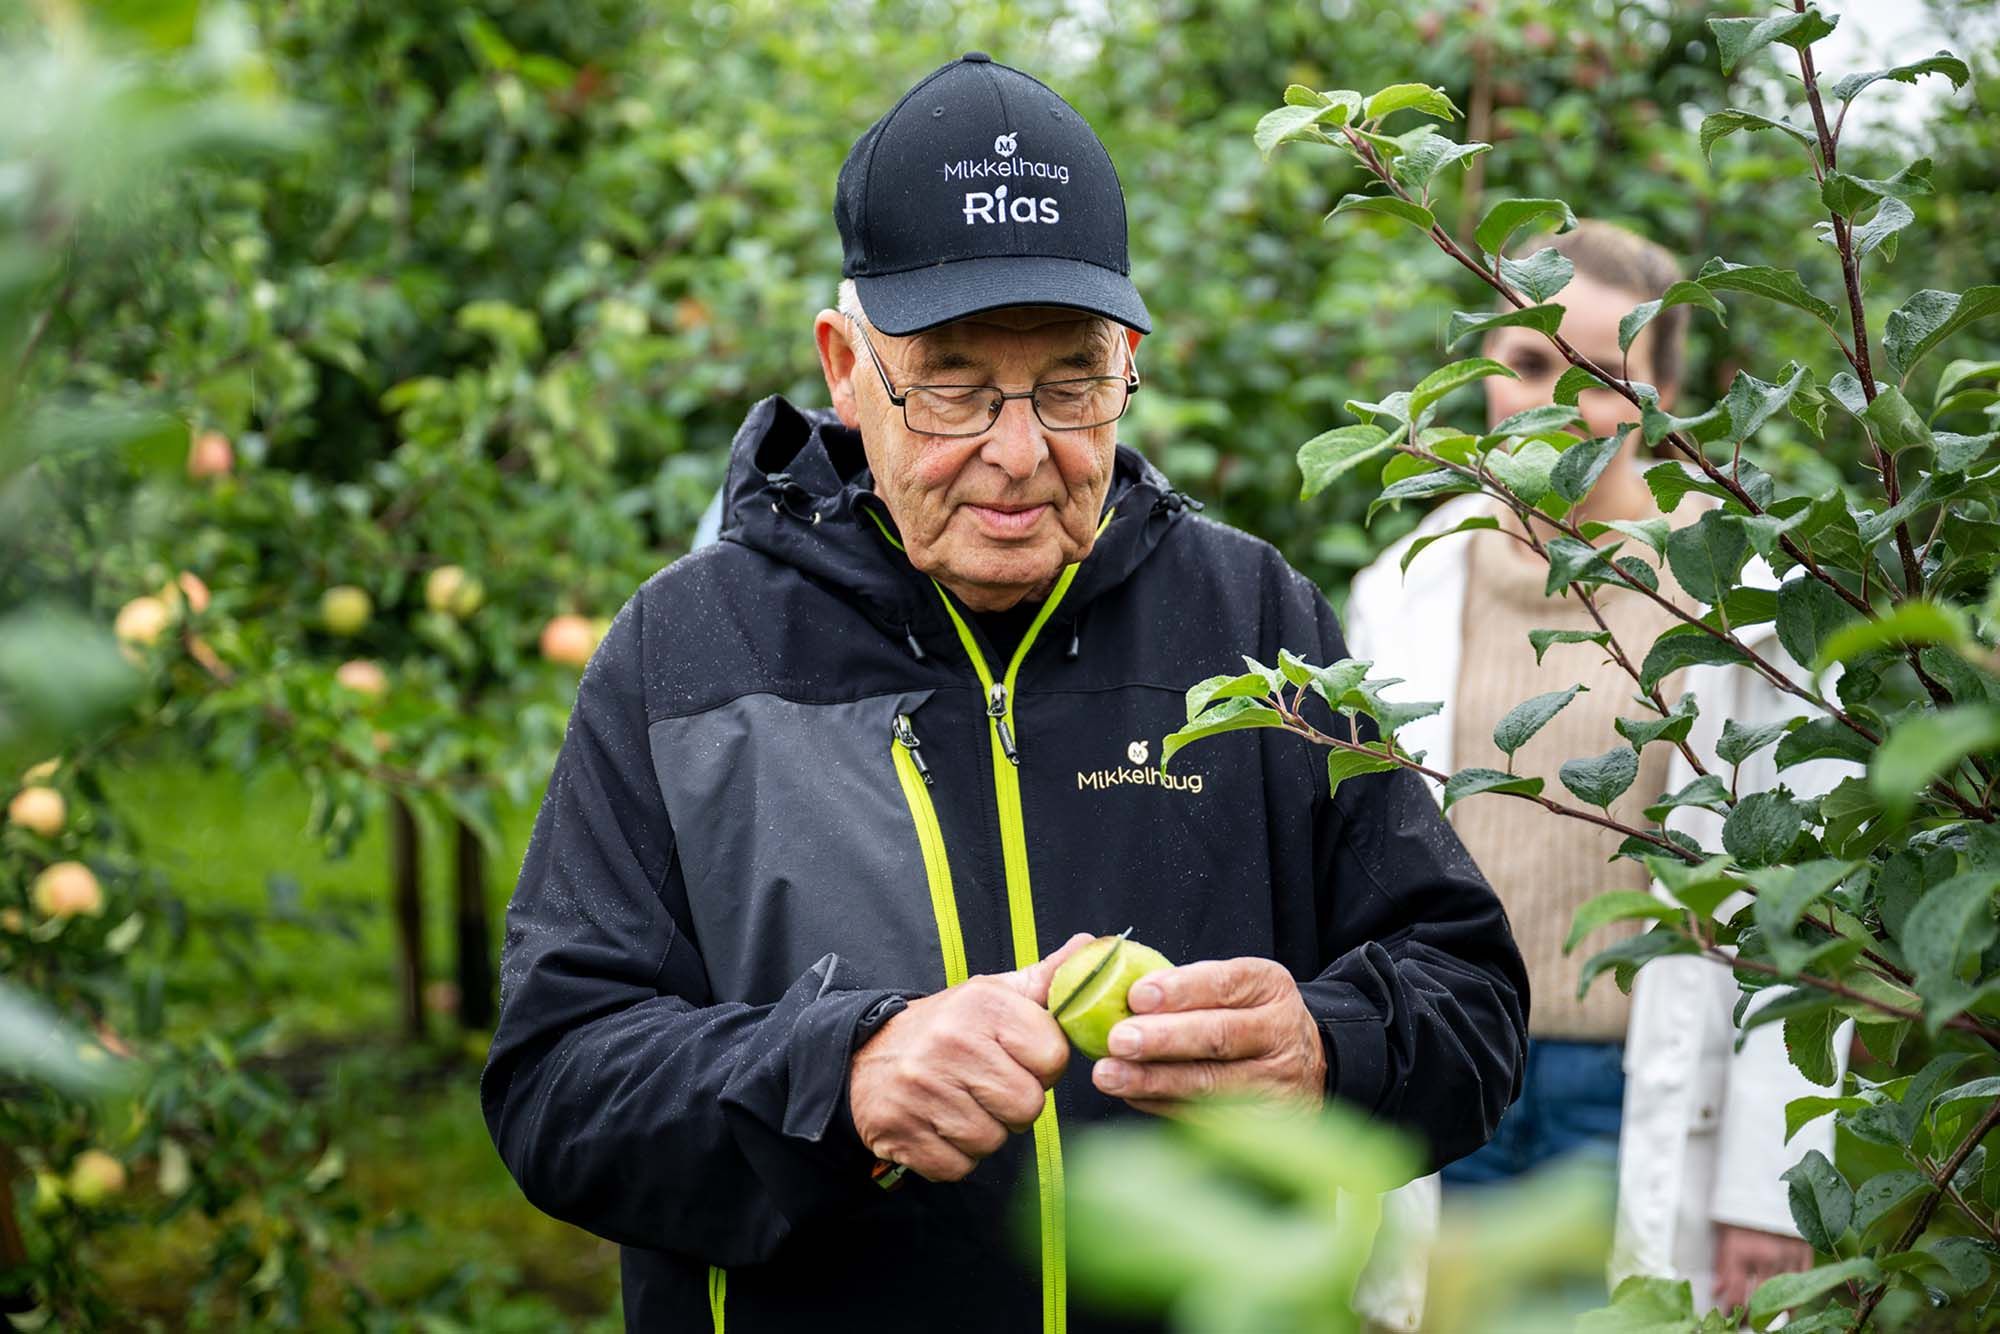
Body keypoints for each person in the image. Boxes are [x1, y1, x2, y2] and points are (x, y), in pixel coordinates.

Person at [480, 54, 1528, 1334]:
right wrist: (837, 1080)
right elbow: (558, 1084)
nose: (1020, 452)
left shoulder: (1250, 625)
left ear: (1128, 360)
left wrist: (1328, 1050)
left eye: (1070, 383)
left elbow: (1470, 1000)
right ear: (845, 367)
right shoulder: (689, 653)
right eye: (954, 387)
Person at [1346, 222, 1834, 1316]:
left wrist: (1766, 1183)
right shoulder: (1408, 581)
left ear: (1662, 399)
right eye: (1527, 361)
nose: (1558, 402)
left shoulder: (1737, 599)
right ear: (1480, 372)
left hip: (1631, 1091)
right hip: (1446, 1069)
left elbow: (1798, 912)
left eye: (1603, 375)